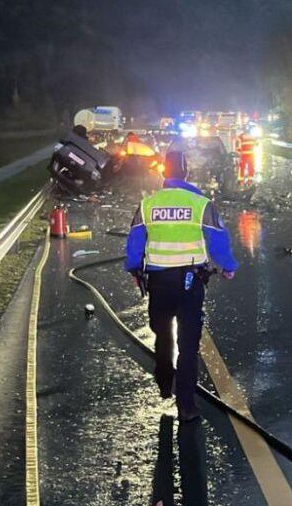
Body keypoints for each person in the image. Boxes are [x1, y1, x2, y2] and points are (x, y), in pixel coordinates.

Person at [125, 150, 238, 421]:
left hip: (158, 283)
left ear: (164, 172)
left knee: (162, 335)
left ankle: (165, 382)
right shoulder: (201, 204)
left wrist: (134, 269)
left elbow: (134, 242)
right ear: (186, 173)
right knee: (188, 344)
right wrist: (228, 267)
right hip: (190, 283)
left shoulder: (148, 204)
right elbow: (218, 240)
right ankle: (186, 406)